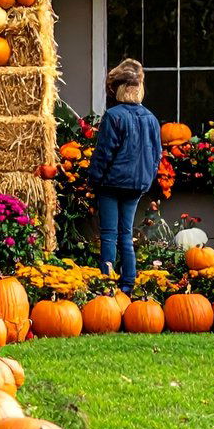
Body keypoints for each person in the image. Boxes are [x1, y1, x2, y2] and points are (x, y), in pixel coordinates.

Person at [86, 59, 162, 294]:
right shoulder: (150, 118)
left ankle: (107, 285)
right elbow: (156, 154)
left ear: (118, 88)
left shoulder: (113, 116)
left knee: (109, 234)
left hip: (111, 183)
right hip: (136, 185)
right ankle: (128, 285)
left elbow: (104, 153)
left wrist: (93, 180)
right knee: (126, 235)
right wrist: (146, 179)